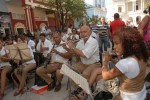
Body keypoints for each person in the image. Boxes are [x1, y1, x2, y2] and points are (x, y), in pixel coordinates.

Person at [101, 27, 148, 100]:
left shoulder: (125, 63)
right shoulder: (141, 55)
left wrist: (105, 62)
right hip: (141, 94)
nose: (114, 47)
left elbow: (105, 76)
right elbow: (129, 69)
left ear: (127, 43)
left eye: (116, 43)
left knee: (101, 82)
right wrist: (113, 61)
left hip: (128, 97)